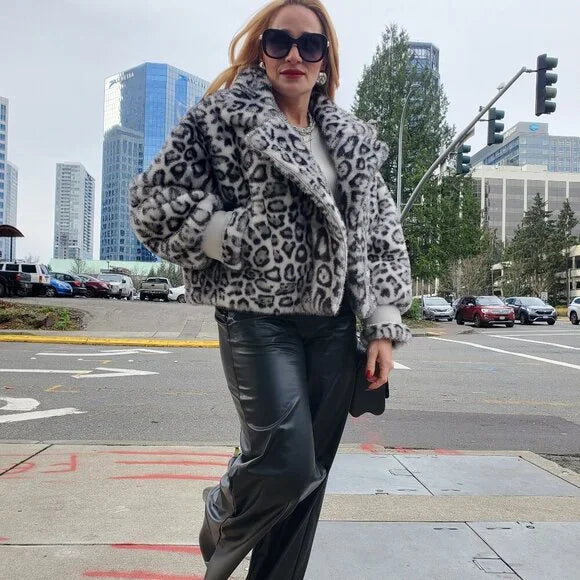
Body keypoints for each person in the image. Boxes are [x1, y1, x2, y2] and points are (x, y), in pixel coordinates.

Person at [130, 1, 412, 577]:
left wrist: (382, 322)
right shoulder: (221, 119)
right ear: (262, 50)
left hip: (335, 324)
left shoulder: (350, 139)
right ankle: (222, 508)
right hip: (256, 317)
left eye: (310, 45)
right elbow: (152, 203)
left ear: (326, 59)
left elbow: (381, 232)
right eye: (279, 42)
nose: (293, 55)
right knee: (285, 461)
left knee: (309, 480)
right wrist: (233, 234)